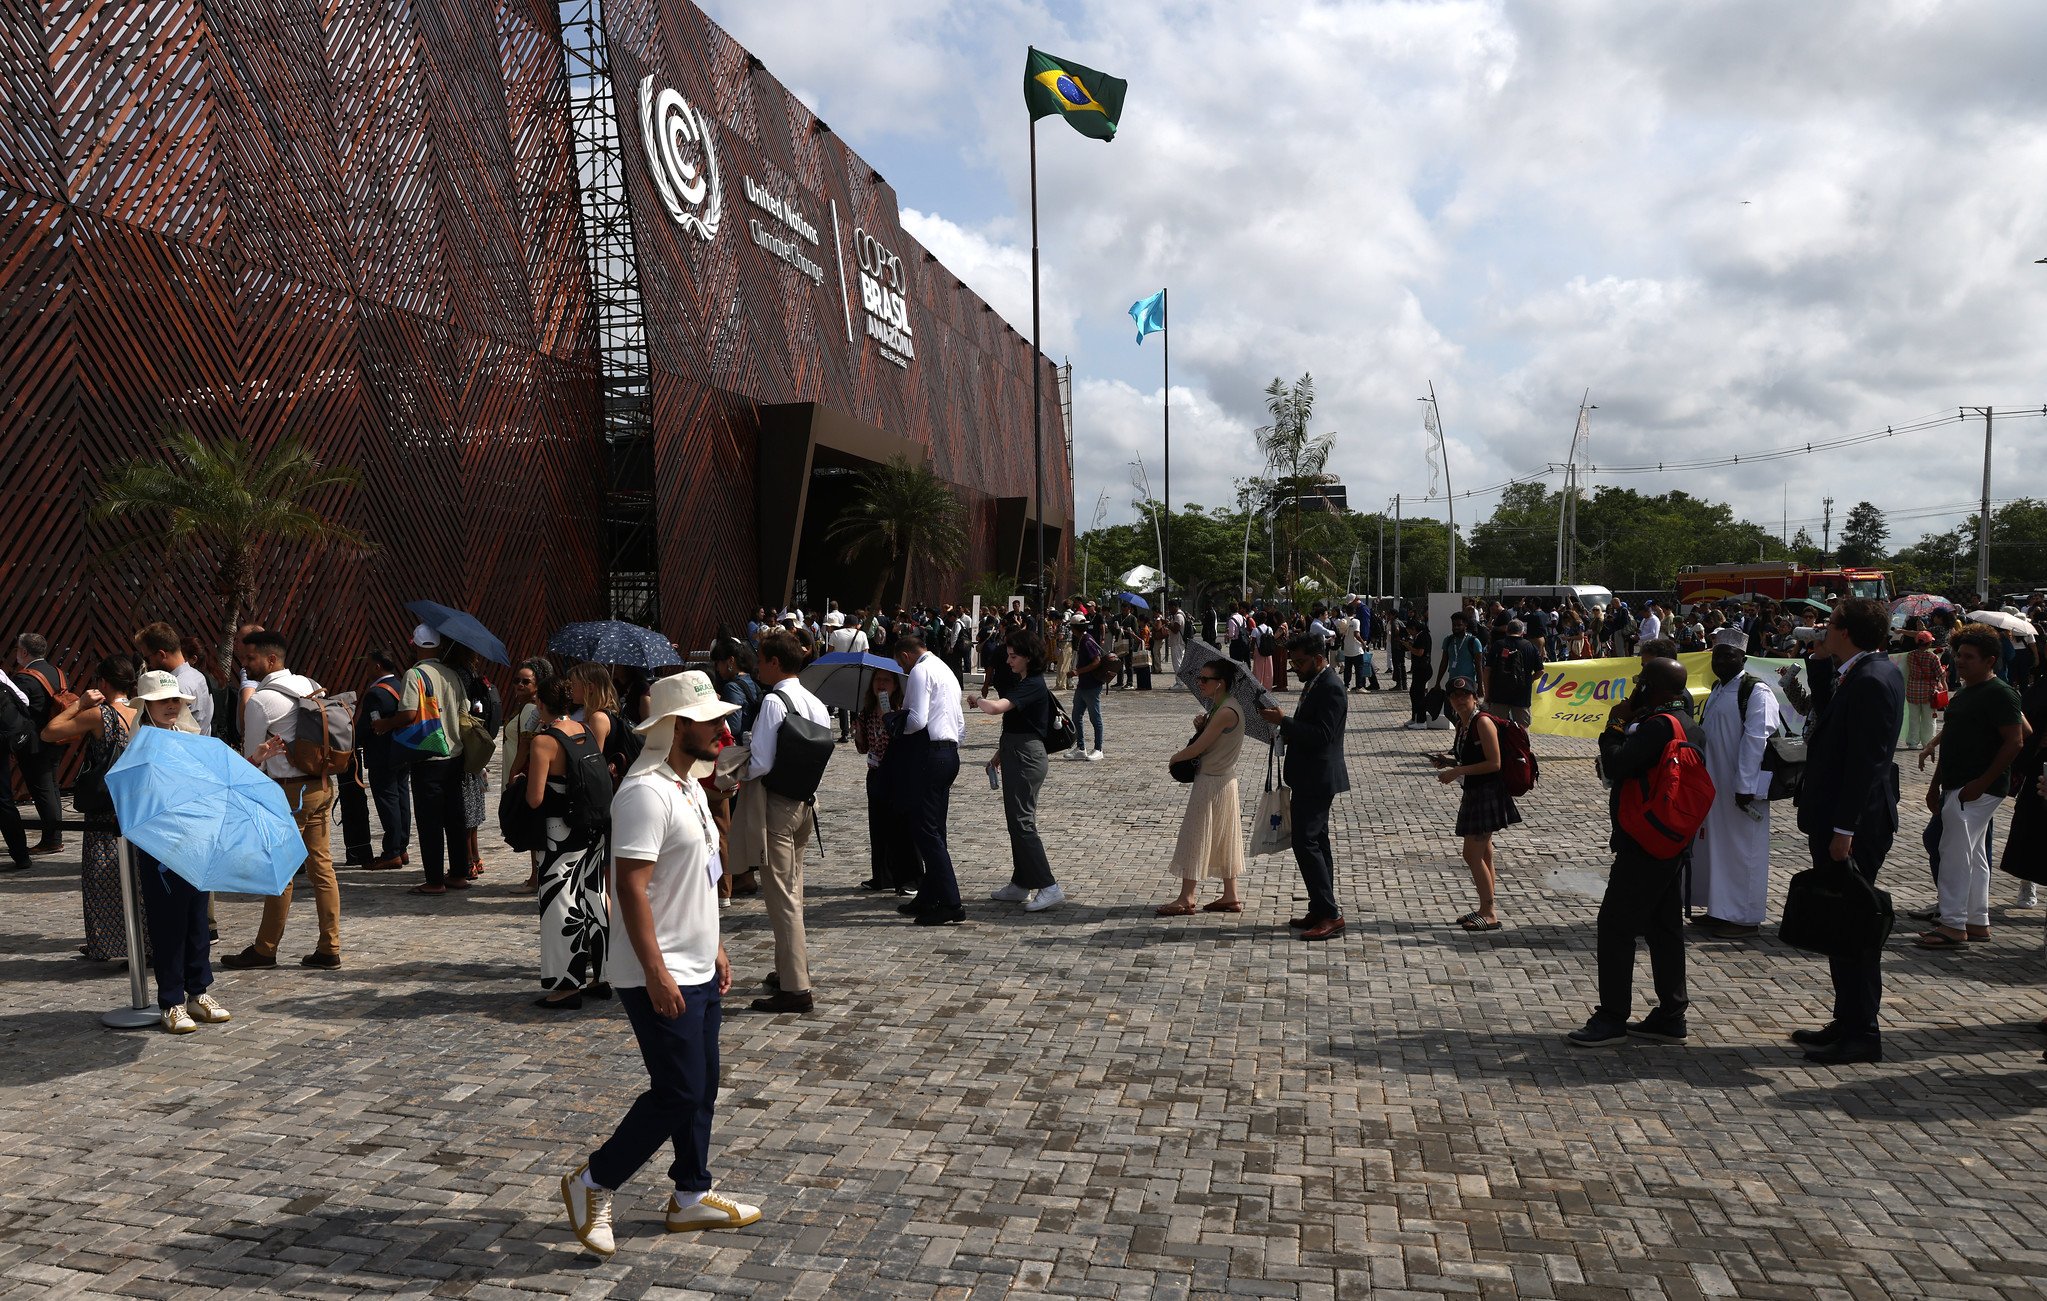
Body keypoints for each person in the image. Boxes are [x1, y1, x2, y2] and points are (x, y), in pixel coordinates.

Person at [558, 672, 759, 1259]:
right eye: (711, 721)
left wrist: (714, 944)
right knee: (678, 1090)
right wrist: (656, 969)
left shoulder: (688, 785)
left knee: (702, 1086)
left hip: (697, 962)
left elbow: (697, 876)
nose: (723, 730)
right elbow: (630, 887)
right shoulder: (645, 793)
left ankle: (691, 1193)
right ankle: (593, 1181)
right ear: (676, 726)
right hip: (659, 968)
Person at [1789, 597, 1903, 1065]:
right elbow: (1829, 718)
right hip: (1838, 816)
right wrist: (1818, 663)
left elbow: (1866, 763)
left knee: (1854, 929)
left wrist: (1844, 828)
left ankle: (1862, 1032)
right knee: (1840, 925)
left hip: (1854, 823)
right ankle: (1847, 1018)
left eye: (1830, 624)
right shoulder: (1859, 671)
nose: (1822, 629)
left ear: (1847, 632)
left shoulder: (1872, 679)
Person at [1567, 658, 1696, 1047]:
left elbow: (1615, 763)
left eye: (1641, 682)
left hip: (1644, 842)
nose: (1635, 687)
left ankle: (1611, 1017)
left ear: (1651, 687)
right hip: (1672, 839)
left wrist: (1615, 725)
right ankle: (1671, 1015)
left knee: (1615, 926)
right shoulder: (1687, 723)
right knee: (1664, 927)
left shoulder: (1657, 726)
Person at [221, 630, 343, 970]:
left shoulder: (260, 701)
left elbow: (252, 757)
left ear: (271, 659)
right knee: (322, 869)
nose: (245, 665)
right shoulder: (310, 684)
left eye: (251, 659)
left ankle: (265, 949)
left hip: (289, 792)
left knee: (281, 871)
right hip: (320, 785)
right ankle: (330, 946)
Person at [128, 671, 231, 1034]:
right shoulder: (140, 745)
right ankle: (171, 1000)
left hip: (196, 839)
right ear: (146, 706)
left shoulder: (189, 737)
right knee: (169, 924)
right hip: (162, 844)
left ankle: (198, 992)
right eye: (163, 701)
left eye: (176, 701)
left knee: (198, 920)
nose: (171, 707)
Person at [1914, 624, 2023, 949]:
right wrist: (1935, 785)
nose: (1960, 661)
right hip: (1959, 785)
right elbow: (1953, 742)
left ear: (1990, 660)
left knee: (1953, 854)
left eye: (1969, 657)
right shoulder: (1966, 692)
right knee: (1972, 856)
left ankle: (1952, 923)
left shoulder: (1999, 693)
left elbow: (2016, 740)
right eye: (1959, 655)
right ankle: (1976, 921)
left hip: (1974, 788)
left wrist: (1982, 782)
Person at [739, 632, 830, 1011]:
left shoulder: (774, 702)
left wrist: (737, 766)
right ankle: (789, 969)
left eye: (761, 660)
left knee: (781, 899)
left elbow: (761, 762)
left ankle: (796, 989)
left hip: (777, 805)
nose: (757, 667)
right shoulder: (815, 701)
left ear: (775, 662)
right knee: (793, 892)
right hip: (806, 804)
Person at [39, 657, 141, 961]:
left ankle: (107, 942)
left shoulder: (100, 715)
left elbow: (50, 731)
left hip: (105, 806)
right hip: (136, 804)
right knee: (135, 877)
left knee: (101, 877)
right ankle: (140, 941)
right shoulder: (140, 712)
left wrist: (78, 704)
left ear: (104, 683)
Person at [526, 675, 611, 1007]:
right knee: (594, 895)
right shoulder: (584, 730)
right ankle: (602, 976)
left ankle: (567, 985)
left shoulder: (544, 741)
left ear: (541, 703)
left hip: (560, 831)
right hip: (593, 825)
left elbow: (535, 798)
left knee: (560, 902)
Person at [1259, 634, 1349, 941]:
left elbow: (1323, 734)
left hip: (1318, 777)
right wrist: (1284, 730)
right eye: (1293, 662)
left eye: (1300, 662)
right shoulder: (1315, 683)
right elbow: (1309, 728)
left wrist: (1285, 721)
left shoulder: (1331, 687)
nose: (1295, 667)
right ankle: (1320, 907)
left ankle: (1331, 915)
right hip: (1307, 774)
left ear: (1319, 659)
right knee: (1317, 842)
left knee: (1305, 842)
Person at [1690, 630, 1779, 939]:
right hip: (1715, 785)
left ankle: (1743, 919)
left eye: (1728, 655)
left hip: (1742, 789)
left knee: (1743, 850)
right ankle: (1719, 910)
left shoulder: (1755, 691)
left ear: (1743, 658)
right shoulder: (1719, 688)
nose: (1721, 661)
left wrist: (1745, 785)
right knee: (1716, 848)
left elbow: (1757, 739)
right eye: (1717, 655)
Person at [968, 630, 1062, 912]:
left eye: (1013, 656)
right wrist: (1000, 754)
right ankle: (1021, 883)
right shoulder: (1023, 681)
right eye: (1008, 655)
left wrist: (977, 699)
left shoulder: (1032, 683)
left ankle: (1048, 886)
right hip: (1016, 752)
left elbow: (996, 708)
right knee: (1016, 822)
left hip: (1026, 757)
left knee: (1022, 823)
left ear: (1028, 658)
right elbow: (1019, 724)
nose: (1008, 661)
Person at [381, 625, 472, 896]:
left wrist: (386, 724)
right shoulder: (452, 673)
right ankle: (459, 873)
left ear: (415, 645)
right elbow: (464, 710)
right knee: (455, 818)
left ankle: (434, 880)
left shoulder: (415, 674)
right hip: (455, 754)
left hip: (428, 757)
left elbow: (409, 714)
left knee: (430, 821)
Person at [1156, 658, 1247, 916]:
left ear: (1221, 683)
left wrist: (1175, 757)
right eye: (1200, 678)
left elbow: (1198, 748)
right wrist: (1202, 726)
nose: (1200, 683)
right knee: (1224, 837)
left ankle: (1187, 897)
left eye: (1205, 679)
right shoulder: (1223, 707)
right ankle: (1230, 895)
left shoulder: (1226, 710)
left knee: (1195, 835)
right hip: (1223, 780)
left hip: (1211, 781)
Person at [893, 630, 968, 926]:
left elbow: (916, 720)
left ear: (905, 655)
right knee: (935, 828)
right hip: (949, 752)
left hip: (929, 754)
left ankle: (951, 903)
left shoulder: (920, 671)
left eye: (901, 664)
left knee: (926, 830)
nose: (902, 670)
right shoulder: (945, 669)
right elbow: (960, 724)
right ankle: (929, 895)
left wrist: (893, 721)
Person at [1436, 677, 1517, 931]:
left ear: (1475, 696)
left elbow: (1494, 763)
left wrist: (1458, 770)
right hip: (1475, 792)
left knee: (1471, 854)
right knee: (1484, 854)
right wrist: (1449, 762)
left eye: (1465, 695)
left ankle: (1490, 913)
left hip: (1487, 794)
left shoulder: (1482, 721)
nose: (1460, 700)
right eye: (1454, 696)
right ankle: (1485, 907)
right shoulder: (1463, 723)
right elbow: (1470, 757)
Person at [851, 668, 920, 894]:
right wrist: (858, 733)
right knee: (878, 826)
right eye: (877, 680)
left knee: (902, 826)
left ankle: (910, 878)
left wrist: (887, 718)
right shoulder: (867, 712)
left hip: (898, 773)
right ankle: (883, 876)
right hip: (876, 772)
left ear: (895, 685)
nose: (880, 684)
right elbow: (864, 748)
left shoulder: (901, 711)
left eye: (886, 680)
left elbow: (902, 743)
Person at [13, 632, 69, 855]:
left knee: (42, 791)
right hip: (58, 736)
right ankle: (55, 836)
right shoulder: (57, 672)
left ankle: (52, 840)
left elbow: (17, 710)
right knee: (51, 787)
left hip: (36, 743)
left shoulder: (24, 678)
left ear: (24, 651)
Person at [357, 649, 411, 873]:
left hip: (382, 755)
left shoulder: (375, 694)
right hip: (402, 751)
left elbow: (368, 727)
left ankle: (392, 852)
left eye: (369, 664)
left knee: (388, 802)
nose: (367, 669)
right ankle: (402, 847)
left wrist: (351, 741)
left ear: (377, 666)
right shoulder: (401, 686)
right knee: (402, 799)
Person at [503, 657, 550, 893]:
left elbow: (525, 744)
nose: (519, 685)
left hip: (525, 772)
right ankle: (535, 876)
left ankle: (535, 878)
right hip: (523, 770)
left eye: (526, 682)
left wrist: (513, 772)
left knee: (532, 826)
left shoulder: (531, 709)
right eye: (516, 680)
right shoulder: (525, 707)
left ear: (537, 685)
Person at [132, 622, 214, 736]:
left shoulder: (175, 686)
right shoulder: (198, 676)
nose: (148, 663)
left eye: (147, 658)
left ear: (161, 654)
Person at [1481, 619, 1543, 727]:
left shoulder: (1498, 645)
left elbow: (1487, 670)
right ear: (1522, 632)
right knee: (1522, 728)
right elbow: (1540, 671)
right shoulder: (1529, 646)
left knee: (1496, 726)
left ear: (1507, 631)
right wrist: (1529, 680)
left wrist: (1487, 694)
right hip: (1522, 694)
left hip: (1499, 693)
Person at [1068, 615, 1107, 762]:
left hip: (1092, 685)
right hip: (1083, 685)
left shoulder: (1086, 641)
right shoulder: (1084, 639)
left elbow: (1096, 661)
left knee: (1095, 718)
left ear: (1074, 628)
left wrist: (1077, 672)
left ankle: (1098, 749)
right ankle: (1081, 748)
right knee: (1076, 716)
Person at [1903, 631, 1943, 751]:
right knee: (1929, 720)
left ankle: (1912, 742)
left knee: (1913, 718)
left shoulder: (1910, 655)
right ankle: (1927, 743)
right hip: (1928, 693)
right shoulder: (1933, 657)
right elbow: (1940, 674)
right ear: (1929, 643)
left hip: (1912, 691)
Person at [1401, 616, 1435, 729]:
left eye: (1410, 631)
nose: (1409, 633)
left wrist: (1408, 646)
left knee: (1419, 695)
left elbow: (1420, 652)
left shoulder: (1423, 636)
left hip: (1423, 669)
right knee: (1414, 693)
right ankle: (1415, 717)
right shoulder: (1419, 636)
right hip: (1419, 669)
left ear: (1414, 628)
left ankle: (1421, 720)